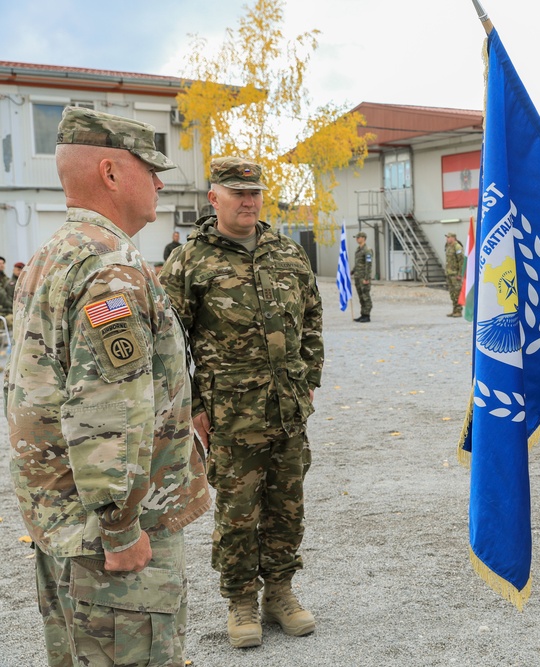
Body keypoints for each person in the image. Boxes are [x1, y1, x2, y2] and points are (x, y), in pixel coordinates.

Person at [5, 106, 210, 666]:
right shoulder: (108, 265)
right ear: (112, 173)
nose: (162, 182)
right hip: (110, 535)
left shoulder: (53, 255)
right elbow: (105, 413)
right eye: (151, 168)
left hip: (66, 521)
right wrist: (121, 529)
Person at [161, 156, 324, 649]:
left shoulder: (288, 253)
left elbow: (312, 320)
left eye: (255, 193)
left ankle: (281, 592)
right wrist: (193, 407)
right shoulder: (190, 261)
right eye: (238, 194)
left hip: (289, 408)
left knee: (287, 507)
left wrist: (309, 377)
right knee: (238, 513)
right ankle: (239, 602)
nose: (249, 201)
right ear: (215, 199)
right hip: (231, 415)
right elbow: (169, 344)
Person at [352, 231, 373, 322]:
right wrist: (352, 272)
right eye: (356, 238)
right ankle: (363, 314)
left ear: (363, 238)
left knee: (365, 296)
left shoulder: (367, 250)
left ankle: (367, 315)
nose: (357, 239)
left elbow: (369, 265)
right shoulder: (358, 249)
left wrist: (367, 278)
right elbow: (358, 263)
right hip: (357, 276)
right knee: (361, 296)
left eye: (358, 237)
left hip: (363, 277)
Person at [444, 231, 465, 317]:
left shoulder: (457, 247)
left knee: (457, 292)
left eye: (448, 237)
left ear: (453, 238)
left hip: (455, 274)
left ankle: (459, 311)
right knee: (452, 293)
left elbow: (462, 261)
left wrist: (460, 274)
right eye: (447, 237)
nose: (447, 239)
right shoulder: (448, 246)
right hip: (449, 273)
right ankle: (454, 310)